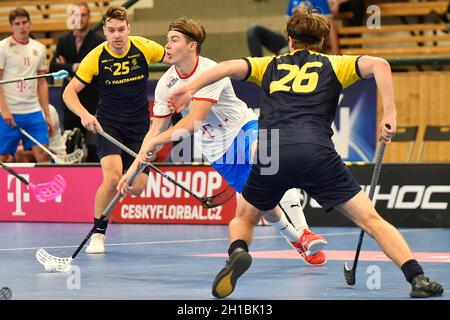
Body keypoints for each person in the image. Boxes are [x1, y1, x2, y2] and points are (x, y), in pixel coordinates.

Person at [167, 10, 444, 299]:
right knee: (371, 221)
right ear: (322, 40)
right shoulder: (336, 65)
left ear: (289, 39)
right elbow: (381, 64)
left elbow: (225, 67)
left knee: (244, 217)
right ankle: (417, 278)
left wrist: (188, 88)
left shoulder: (269, 65)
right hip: (318, 154)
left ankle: (238, 251)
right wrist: (390, 114)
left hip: (272, 153)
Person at [117, 17, 328, 266]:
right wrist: (130, 172)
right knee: (266, 206)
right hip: (218, 149)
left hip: (243, 125)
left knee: (268, 159)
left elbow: (193, 122)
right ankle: (297, 241)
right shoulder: (166, 84)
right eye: (167, 40)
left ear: (192, 45)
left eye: (174, 40)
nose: (167, 46)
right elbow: (155, 131)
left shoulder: (209, 72)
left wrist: (155, 143)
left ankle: (304, 231)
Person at [62, 6, 166, 253]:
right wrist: (85, 114)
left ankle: (126, 183)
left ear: (128, 28)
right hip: (108, 125)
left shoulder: (144, 47)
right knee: (111, 179)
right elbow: (69, 92)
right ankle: (98, 233)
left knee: (136, 188)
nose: (117, 35)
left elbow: (175, 60)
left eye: (121, 29)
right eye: (111, 30)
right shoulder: (96, 57)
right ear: (105, 31)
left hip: (141, 128)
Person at [50, 2, 105, 162]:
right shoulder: (63, 41)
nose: (80, 19)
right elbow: (53, 67)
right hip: (70, 102)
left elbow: (98, 70)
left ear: (89, 17)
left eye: (83, 14)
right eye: (76, 15)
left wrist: (66, 65)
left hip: (92, 101)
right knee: (70, 143)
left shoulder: (98, 41)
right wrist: (76, 66)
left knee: (94, 146)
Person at [0, 8, 53, 164]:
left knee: (43, 155)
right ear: (11, 27)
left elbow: (42, 82)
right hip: (10, 112)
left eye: (25, 23)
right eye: (17, 24)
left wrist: (47, 114)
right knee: (3, 158)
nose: (22, 27)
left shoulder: (39, 48)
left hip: (33, 112)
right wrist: (4, 110)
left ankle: (46, 188)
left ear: (30, 24)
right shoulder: (2, 47)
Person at [247, 0, 340, 56]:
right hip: (289, 40)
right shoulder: (293, 0)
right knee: (254, 30)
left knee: (287, 52)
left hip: (306, 41)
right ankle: (257, 64)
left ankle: (285, 53)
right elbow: (287, 25)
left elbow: (330, 25)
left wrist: (336, 54)